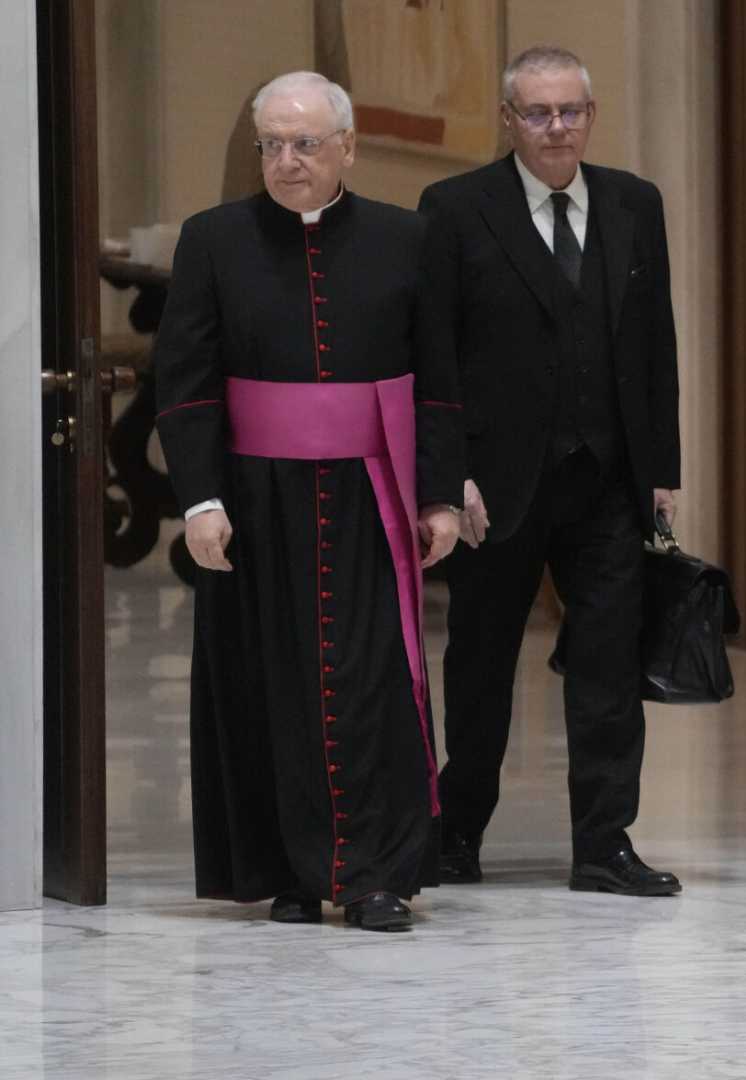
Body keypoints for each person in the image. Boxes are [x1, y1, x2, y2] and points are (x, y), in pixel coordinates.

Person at [153, 71, 463, 932]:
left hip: (370, 496)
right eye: (271, 145)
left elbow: (438, 384)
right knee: (265, 682)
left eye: (305, 143)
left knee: (373, 683)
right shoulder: (213, 239)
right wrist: (202, 499)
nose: (286, 161)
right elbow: (184, 384)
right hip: (253, 502)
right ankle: (288, 870)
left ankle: (374, 875)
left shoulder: (408, 240)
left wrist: (438, 497)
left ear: (347, 149)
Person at [416, 45, 682, 896]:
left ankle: (604, 845)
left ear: (590, 116)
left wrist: (662, 468)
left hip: (607, 478)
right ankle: (457, 834)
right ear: (509, 120)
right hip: (495, 487)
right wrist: (447, 477)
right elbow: (436, 357)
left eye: (571, 111)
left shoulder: (635, 204)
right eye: (538, 112)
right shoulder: (455, 209)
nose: (557, 127)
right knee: (483, 663)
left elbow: (654, 346)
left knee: (608, 666)